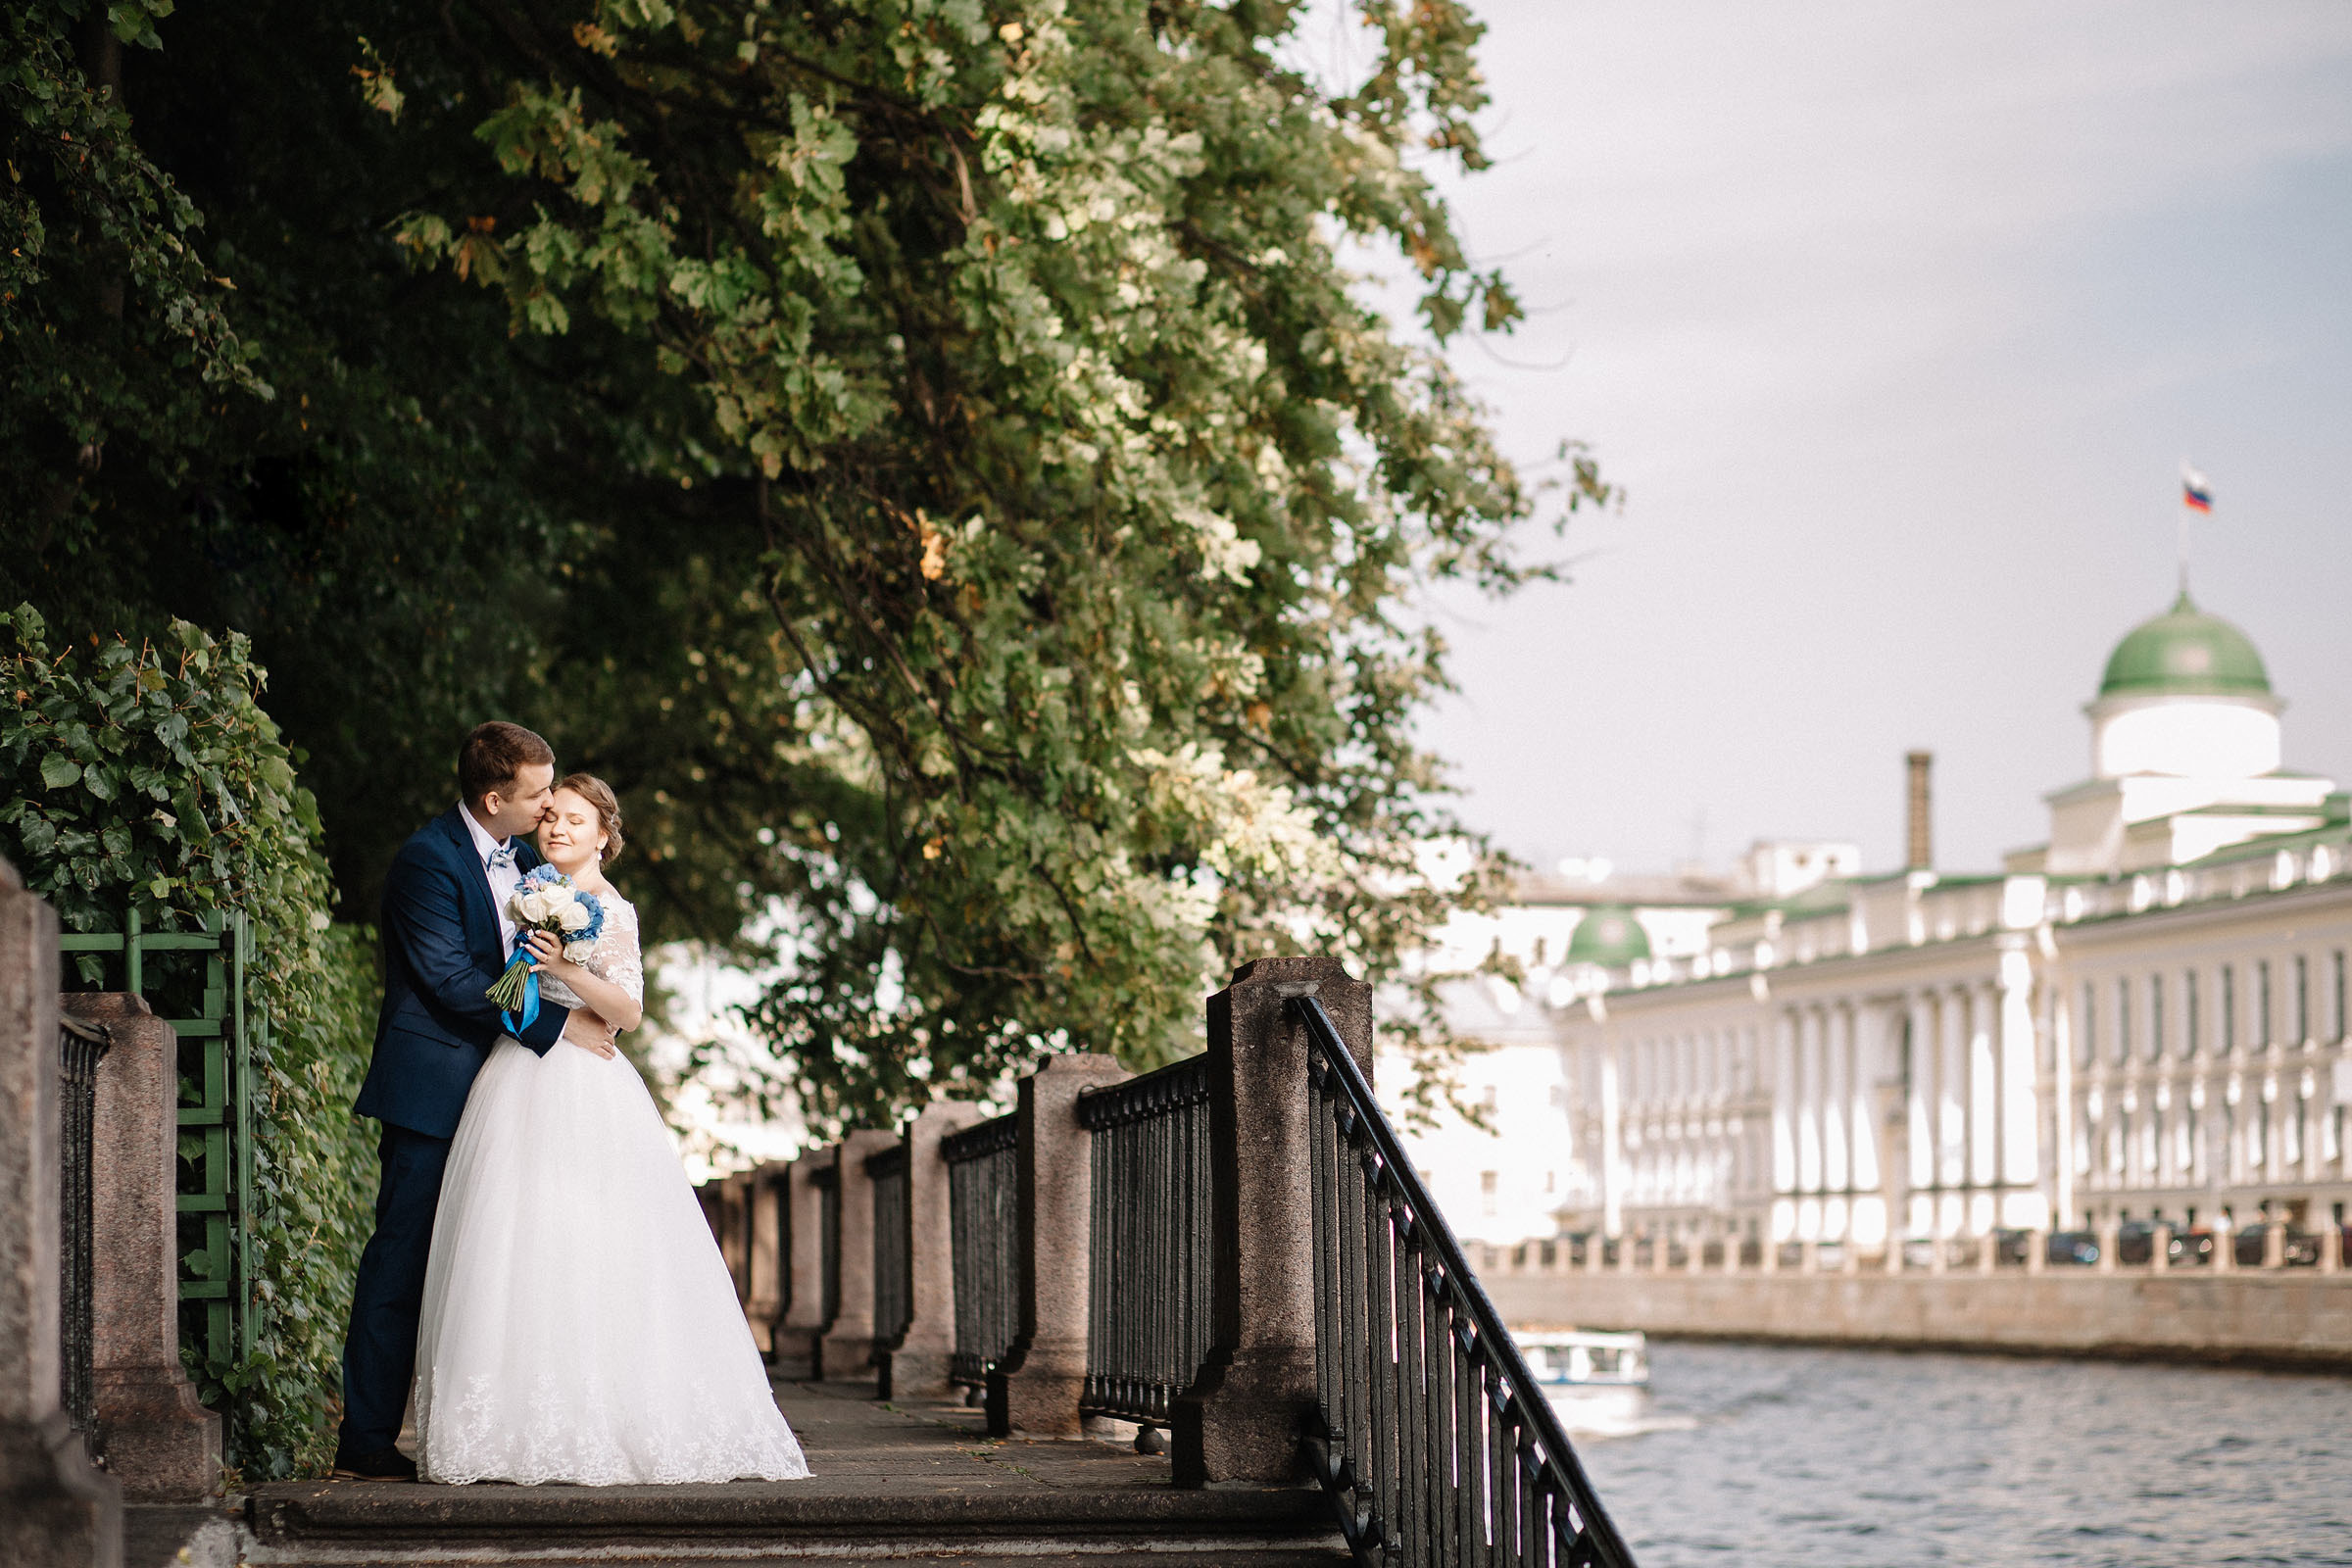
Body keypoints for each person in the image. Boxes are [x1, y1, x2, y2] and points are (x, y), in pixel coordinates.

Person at [410, 772, 808, 1485]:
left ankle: (609, 1414)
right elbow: (505, 991)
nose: (557, 828)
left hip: (590, 1089)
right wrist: (545, 996)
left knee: (595, 1243)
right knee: (512, 1242)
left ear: (603, 834)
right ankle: (510, 1422)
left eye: (575, 820)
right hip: (517, 1072)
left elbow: (627, 1012)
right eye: (551, 816)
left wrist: (565, 966)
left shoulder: (612, 911)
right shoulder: (521, 894)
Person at [334, 722, 620, 1481]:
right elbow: (454, 983)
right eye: (537, 795)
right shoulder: (425, 862)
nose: (548, 807)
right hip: (434, 1090)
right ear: (496, 797)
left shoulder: (529, 861)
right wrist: (562, 1027)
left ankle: (499, 1428)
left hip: (511, 1097)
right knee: (403, 1260)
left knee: (501, 1264)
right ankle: (364, 1440)